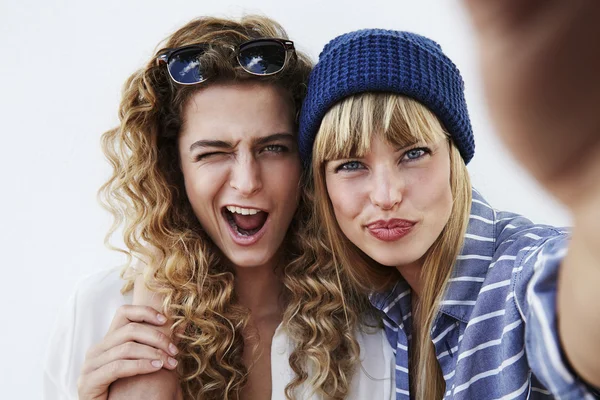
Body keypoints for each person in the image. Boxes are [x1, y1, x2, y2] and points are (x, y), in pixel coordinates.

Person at [43, 15, 394, 400]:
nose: (247, 181)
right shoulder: (96, 313)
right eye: (213, 153)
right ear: (173, 168)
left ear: (307, 160)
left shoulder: (375, 324)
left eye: (273, 148)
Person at [297, 2, 600, 399]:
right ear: (321, 185)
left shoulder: (521, 274)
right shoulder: (381, 307)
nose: (387, 196)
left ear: (454, 159)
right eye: (352, 165)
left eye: (413, 154)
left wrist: (588, 192)